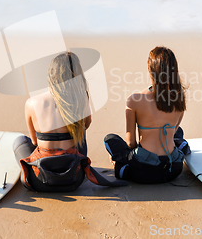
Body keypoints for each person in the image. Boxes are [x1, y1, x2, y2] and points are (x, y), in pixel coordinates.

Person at [13, 51, 126, 192]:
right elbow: (86, 125)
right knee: (80, 133)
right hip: (74, 178)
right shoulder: (82, 99)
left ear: (51, 74)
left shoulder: (31, 103)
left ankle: (28, 170)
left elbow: (35, 142)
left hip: (40, 181)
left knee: (20, 141)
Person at [104, 46, 190, 184]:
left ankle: (122, 168)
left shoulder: (135, 100)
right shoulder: (180, 98)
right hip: (173, 169)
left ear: (150, 70)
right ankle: (183, 146)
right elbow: (172, 132)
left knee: (110, 139)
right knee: (177, 132)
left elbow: (131, 142)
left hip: (144, 171)